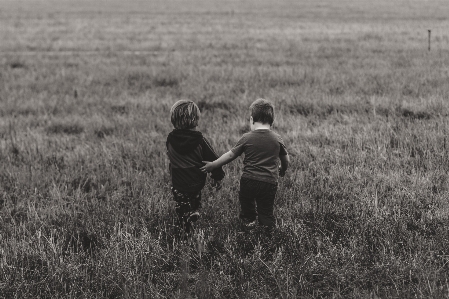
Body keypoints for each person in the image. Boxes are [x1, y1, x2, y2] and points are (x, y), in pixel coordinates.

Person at [200, 98, 289, 231]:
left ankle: (249, 222)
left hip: (249, 181)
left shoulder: (247, 138)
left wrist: (214, 164)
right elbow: (286, 158)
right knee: (266, 209)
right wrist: (283, 169)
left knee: (247, 203)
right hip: (269, 182)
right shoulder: (277, 138)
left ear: (252, 119)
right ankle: (267, 230)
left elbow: (230, 155)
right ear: (272, 122)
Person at [166, 100, 224, 234]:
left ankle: (186, 219)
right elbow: (214, 159)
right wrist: (217, 176)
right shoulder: (200, 140)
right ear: (196, 120)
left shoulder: (170, 138)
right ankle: (192, 212)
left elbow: (170, 154)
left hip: (178, 181)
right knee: (194, 197)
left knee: (181, 202)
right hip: (196, 180)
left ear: (173, 119)